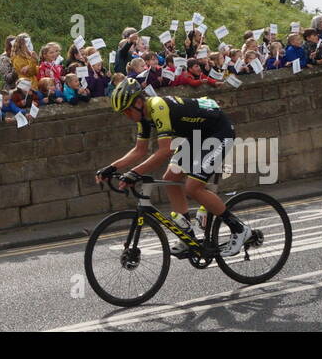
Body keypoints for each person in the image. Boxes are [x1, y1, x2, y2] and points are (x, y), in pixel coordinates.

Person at [97, 80, 248, 257]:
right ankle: (187, 237)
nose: (127, 115)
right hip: (197, 135)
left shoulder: (157, 106)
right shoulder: (143, 119)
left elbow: (165, 150)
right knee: (171, 178)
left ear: (138, 102)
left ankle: (239, 229)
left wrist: (134, 173)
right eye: (123, 113)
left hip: (219, 132)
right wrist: (110, 167)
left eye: (128, 110)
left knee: (193, 187)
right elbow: (140, 150)